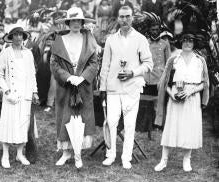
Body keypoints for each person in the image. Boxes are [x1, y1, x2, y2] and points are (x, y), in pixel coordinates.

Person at [99, 5, 153, 169]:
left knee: (130, 124)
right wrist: (102, 87)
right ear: (117, 18)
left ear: (132, 17)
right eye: (121, 16)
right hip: (113, 88)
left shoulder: (140, 39)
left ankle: (126, 158)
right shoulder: (110, 39)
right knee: (111, 122)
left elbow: (149, 64)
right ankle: (111, 155)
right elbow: (105, 65)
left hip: (132, 87)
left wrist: (133, 72)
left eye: (127, 16)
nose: (124, 19)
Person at [154, 32, 209, 172]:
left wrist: (191, 91)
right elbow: (163, 82)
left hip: (192, 97)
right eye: (185, 40)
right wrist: (171, 93)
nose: (187, 43)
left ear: (194, 43)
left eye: (190, 40)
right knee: (171, 128)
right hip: (175, 97)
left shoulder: (200, 60)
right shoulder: (173, 59)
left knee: (189, 128)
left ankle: (186, 160)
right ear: (181, 42)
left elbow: (205, 83)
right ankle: (163, 160)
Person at [50, 7, 98, 169]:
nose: (76, 23)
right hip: (66, 87)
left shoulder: (89, 39)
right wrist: (69, 77)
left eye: (79, 21)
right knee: (66, 118)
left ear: (82, 23)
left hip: (83, 86)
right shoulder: (60, 40)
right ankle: (66, 153)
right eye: (73, 21)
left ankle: (78, 154)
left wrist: (82, 77)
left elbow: (93, 63)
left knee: (81, 119)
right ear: (68, 23)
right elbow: (54, 64)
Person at [0, 27, 39, 168]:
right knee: (9, 124)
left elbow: (32, 75)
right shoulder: (6, 53)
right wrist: (7, 91)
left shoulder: (28, 54)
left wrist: (34, 92)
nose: (19, 37)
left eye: (21, 35)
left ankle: (20, 154)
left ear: (24, 37)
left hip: (25, 94)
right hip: (11, 95)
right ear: (11, 37)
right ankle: (5, 155)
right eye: (16, 35)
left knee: (23, 125)